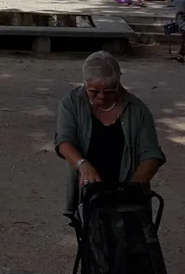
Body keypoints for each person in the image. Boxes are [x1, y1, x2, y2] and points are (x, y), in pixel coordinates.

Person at [54, 51, 165, 217]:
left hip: (128, 196)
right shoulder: (71, 103)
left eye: (109, 91)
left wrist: (130, 190)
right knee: (90, 239)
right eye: (93, 91)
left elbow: (151, 155)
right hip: (89, 194)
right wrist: (82, 164)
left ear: (119, 82)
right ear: (84, 83)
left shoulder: (138, 110)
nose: (101, 97)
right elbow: (64, 141)